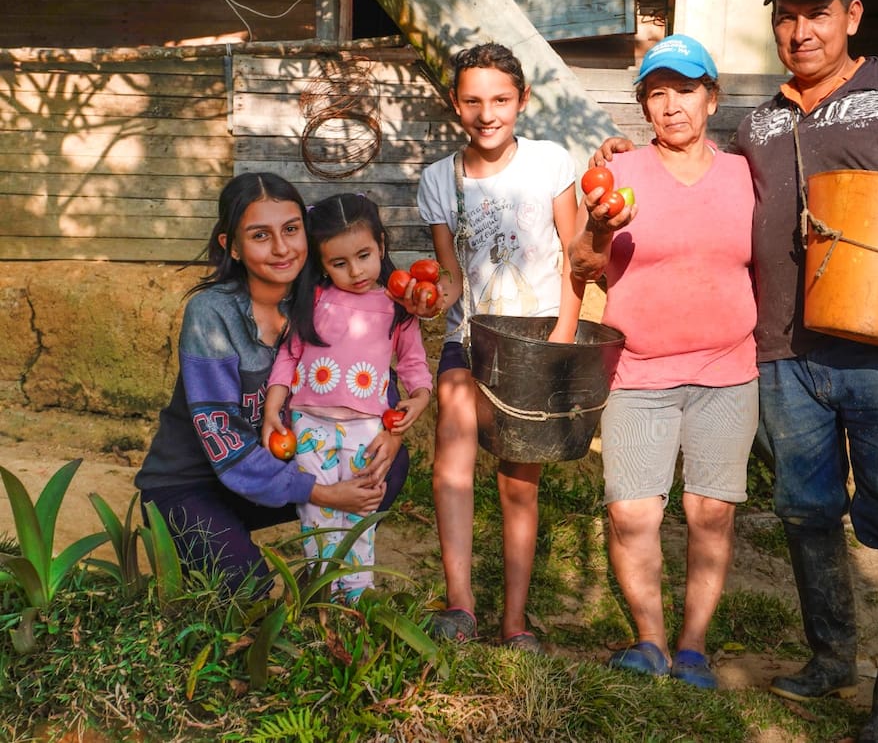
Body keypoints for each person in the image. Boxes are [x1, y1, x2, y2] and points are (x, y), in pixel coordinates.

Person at [592, 0, 878, 742]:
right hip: (779, 350)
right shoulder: (761, 124)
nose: (800, 29)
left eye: (817, 12)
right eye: (786, 14)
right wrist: (615, 155)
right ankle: (831, 656)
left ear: (851, 16)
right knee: (807, 509)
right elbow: (702, 190)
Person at [568, 35, 758, 689]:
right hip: (638, 369)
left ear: (711, 96)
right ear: (644, 104)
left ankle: (694, 648)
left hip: (728, 369)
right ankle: (649, 638)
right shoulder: (617, 174)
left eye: (685, 89)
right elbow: (583, 267)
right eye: (656, 92)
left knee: (712, 511)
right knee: (631, 511)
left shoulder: (744, 173)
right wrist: (598, 224)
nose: (671, 104)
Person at [135, 173, 408, 599]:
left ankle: (326, 580)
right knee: (249, 589)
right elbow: (222, 436)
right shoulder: (212, 315)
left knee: (385, 463)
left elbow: (364, 375)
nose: (282, 248)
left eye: (291, 229)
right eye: (260, 235)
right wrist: (323, 493)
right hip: (191, 485)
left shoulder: (323, 297)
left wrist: (390, 433)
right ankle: (213, 542)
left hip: (274, 476)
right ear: (232, 246)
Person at [416, 42, 585, 652]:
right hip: (470, 337)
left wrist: (565, 333)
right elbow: (451, 273)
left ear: (522, 101)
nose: (487, 113)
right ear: (454, 104)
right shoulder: (440, 179)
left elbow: (576, 254)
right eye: (472, 100)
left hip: (537, 337)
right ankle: (460, 605)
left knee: (519, 482)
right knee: (451, 464)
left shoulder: (549, 164)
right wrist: (429, 300)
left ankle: (515, 621)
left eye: (501, 99)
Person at [259, 193, 433, 603]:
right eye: (339, 263)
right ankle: (320, 590)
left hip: (366, 427)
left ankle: (356, 594)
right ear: (321, 264)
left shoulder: (397, 308)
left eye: (364, 255)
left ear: (382, 247)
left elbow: (413, 363)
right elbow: (289, 355)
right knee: (316, 513)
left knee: (361, 506)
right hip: (308, 423)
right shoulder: (313, 301)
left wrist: (421, 397)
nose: (355, 271)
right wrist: (273, 407)